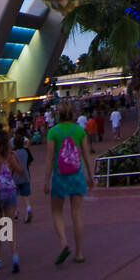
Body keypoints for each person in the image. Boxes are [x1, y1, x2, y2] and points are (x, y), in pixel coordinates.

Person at [44, 102, 94, 266]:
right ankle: (79, 253)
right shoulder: (79, 131)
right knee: (77, 213)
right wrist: (90, 175)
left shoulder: (53, 132)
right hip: (77, 174)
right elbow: (86, 155)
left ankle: (64, 242)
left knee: (57, 212)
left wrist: (46, 180)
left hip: (60, 175)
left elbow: (50, 158)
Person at [0, 131, 25, 274]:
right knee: (9, 224)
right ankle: (14, 255)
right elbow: (21, 172)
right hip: (10, 190)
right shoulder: (11, 155)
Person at [12, 127, 33, 223]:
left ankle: (15, 212)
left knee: (14, 195)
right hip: (25, 175)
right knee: (26, 195)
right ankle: (28, 208)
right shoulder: (25, 151)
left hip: (15, 177)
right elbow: (30, 162)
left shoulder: (13, 153)